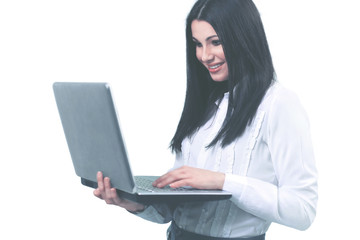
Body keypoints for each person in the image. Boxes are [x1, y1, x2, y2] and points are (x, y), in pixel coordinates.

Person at [93, 0, 318, 239]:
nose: (204, 56)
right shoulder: (205, 102)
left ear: (244, 38)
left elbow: (303, 210)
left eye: (216, 42)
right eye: (197, 44)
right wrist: (133, 202)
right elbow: (175, 208)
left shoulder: (279, 104)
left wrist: (222, 182)